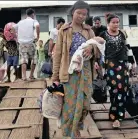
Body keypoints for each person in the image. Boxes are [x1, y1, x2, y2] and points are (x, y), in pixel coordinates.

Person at [52, 0, 101, 137]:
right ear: (72, 12)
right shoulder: (64, 30)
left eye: (84, 14)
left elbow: (97, 50)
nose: (81, 16)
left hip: (85, 71)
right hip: (69, 71)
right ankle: (73, 131)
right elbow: (58, 55)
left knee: (85, 103)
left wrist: (92, 48)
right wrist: (55, 77)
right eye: (79, 13)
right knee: (70, 103)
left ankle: (77, 126)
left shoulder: (89, 31)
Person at [100, 13, 129, 128]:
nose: (116, 24)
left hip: (123, 64)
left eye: (117, 22)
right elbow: (99, 49)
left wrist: (131, 63)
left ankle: (120, 115)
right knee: (114, 89)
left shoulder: (122, 34)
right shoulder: (103, 34)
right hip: (110, 64)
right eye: (114, 22)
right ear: (108, 23)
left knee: (123, 89)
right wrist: (99, 63)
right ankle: (114, 115)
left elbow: (127, 48)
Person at [12, 8, 40, 81]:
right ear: (33, 14)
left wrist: (17, 37)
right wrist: (38, 36)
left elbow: (12, 29)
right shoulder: (34, 21)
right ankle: (31, 75)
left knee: (23, 59)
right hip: (31, 42)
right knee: (34, 58)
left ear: (27, 14)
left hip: (22, 44)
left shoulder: (20, 22)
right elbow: (37, 26)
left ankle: (24, 76)